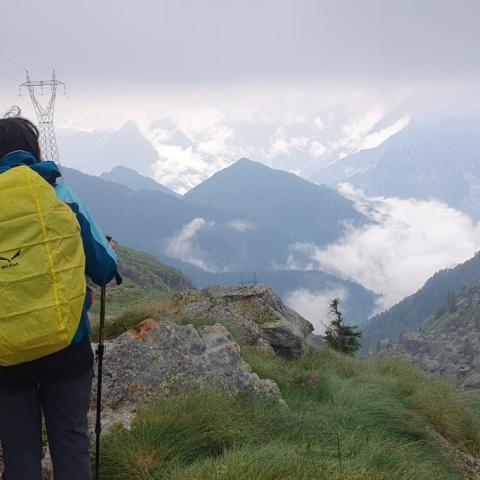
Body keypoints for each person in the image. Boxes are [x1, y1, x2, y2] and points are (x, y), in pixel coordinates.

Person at [0, 116, 117, 480]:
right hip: (67, 343)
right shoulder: (58, 195)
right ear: (33, 153)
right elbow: (103, 268)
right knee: (70, 442)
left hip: (6, 355)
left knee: (19, 454)